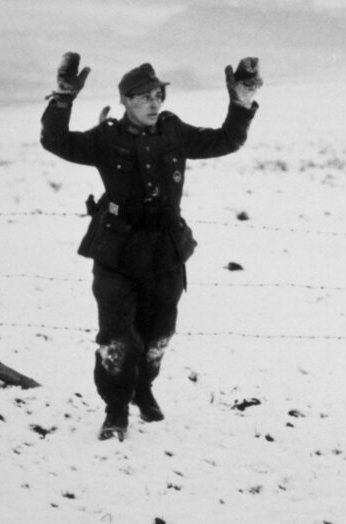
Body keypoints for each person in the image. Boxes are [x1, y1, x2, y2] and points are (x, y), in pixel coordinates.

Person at [40, 52, 261, 441]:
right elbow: (55, 141)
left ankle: (143, 388)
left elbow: (226, 140)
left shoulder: (174, 132)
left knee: (158, 335)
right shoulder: (107, 138)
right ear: (125, 100)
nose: (154, 103)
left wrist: (241, 103)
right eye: (144, 97)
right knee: (118, 338)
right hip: (117, 252)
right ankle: (116, 410)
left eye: (158, 95)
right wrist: (62, 98)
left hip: (165, 250)